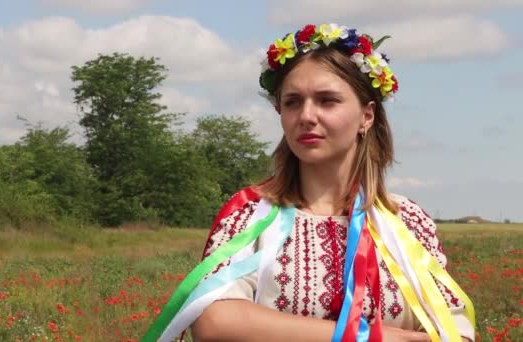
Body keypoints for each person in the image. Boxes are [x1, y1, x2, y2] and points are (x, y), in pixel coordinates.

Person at [143, 22, 475, 342]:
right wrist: (370, 337)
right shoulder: (251, 214)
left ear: (367, 115)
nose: (306, 116)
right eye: (293, 102)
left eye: (327, 100)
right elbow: (213, 318)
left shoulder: (405, 221)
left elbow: (452, 327)